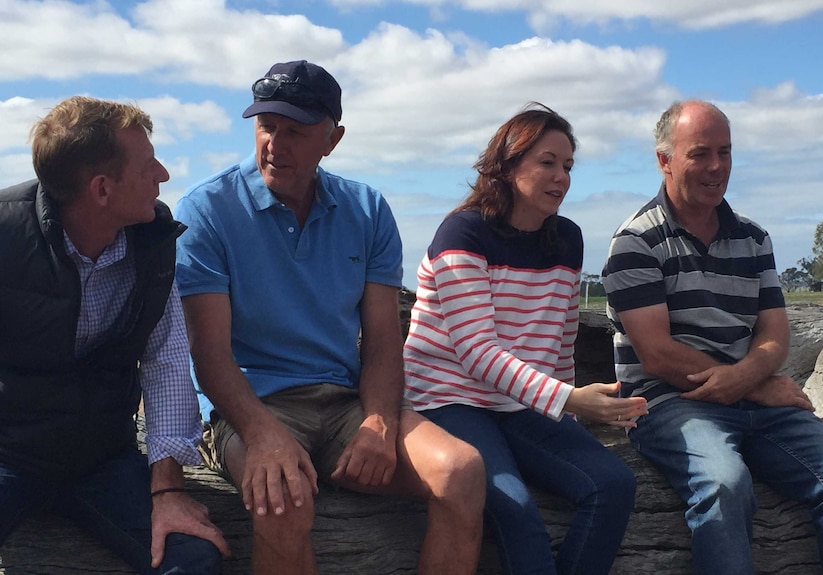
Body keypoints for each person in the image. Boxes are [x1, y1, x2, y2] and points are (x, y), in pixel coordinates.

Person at [174, 59, 485, 575]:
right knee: (283, 500)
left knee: (463, 471)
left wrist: (379, 423)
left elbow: (384, 341)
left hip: (343, 404)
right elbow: (209, 355)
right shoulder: (206, 210)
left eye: (294, 131)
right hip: (251, 406)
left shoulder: (367, 210)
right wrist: (264, 435)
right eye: (266, 126)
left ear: (332, 139)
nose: (275, 143)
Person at [602, 99, 823, 574]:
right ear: (665, 160)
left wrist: (746, 382)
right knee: (723, 482)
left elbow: (774, 334)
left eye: (725, 151)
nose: (716, 166)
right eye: (700, 153)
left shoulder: (753, 237)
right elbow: (657, 355)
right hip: (667, 403)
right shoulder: (636, 242)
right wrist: (758, 385)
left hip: (749, 404)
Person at [403, 103, 648, 575]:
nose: (561, 177)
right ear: (508, 166)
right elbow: (477, 353)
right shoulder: (463, 233)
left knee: (613, 484)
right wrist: (572, 401)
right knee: (519, 514)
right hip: (450, 401)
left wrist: (570, 415)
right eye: (547, 162)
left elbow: (558, 339)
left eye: (568, 165)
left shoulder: (567, 240)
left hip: (521, 406)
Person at [0, 96, 230, 574]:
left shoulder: (152, 242)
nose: (163, 174)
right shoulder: (6, 235)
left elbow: (166, 364)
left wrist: (167, 491)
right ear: (101, 189)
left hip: (101, 460)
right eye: (148, 164)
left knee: (192, 559)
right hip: (10, 454)